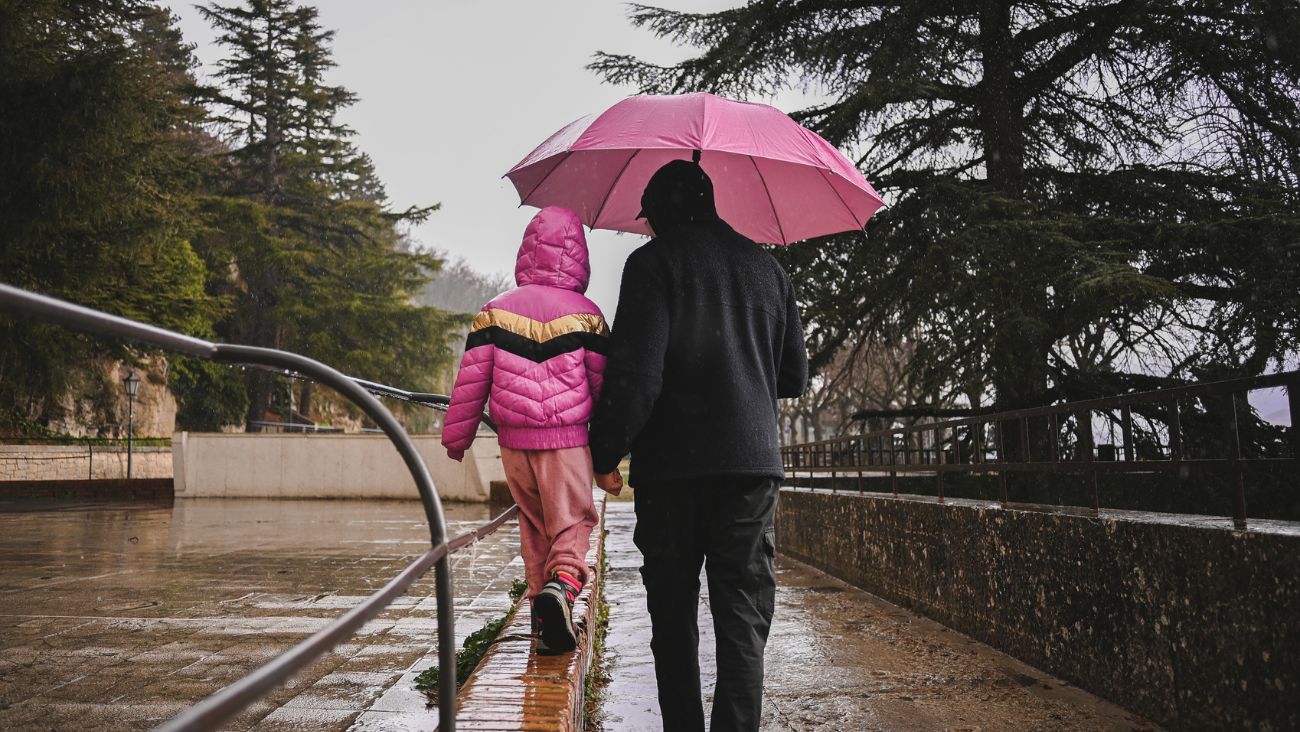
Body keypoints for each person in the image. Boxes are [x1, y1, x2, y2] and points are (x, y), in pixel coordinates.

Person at [589, 159, 809, 731]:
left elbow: (637, 377)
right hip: (750, 468)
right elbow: (793, 378)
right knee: (742, 617)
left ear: (658, 213)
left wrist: (605, 455)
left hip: (672, 473)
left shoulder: (651, 266)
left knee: (673, 616)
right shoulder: (768, 269)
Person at [441, 205, 613, 655]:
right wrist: (612, 452)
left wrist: (456, 440)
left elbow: (471, 382)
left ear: (526, 253)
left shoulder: (494, 313)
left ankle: (542, 614)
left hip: (514, 446)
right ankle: (563, 588)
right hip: (568, 444)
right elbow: (604, 389)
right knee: (574, 523)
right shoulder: (587, 315)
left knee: (535, 526)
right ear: (579, 257)